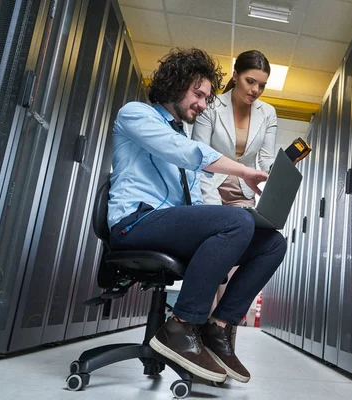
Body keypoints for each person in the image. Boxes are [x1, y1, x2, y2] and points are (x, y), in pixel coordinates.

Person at [107, 48, 286, 384]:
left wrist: (225, 243)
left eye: (207, 97)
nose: (204, 104)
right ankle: (181, 325)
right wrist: (243, 173)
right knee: (237, 220)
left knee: (272, 243)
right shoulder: (136, 115)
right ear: (176, 86)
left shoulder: (179, 133)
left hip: (167, 227)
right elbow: (188, 154)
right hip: (134, 223)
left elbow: (191, 203)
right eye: (198, 94)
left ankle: (217, 329)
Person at [192, 50, 277, 342]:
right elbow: (199, 155)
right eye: (250, 81)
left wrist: (282, 167)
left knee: (236, 266)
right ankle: (197, 334)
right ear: (236, 75)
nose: (255, 90)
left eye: (261, 85)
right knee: (214, 262)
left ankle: (223, 337)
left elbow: (265, 161)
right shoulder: (212, 106)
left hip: (243, 191)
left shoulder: (268, 113)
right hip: (209, 186)